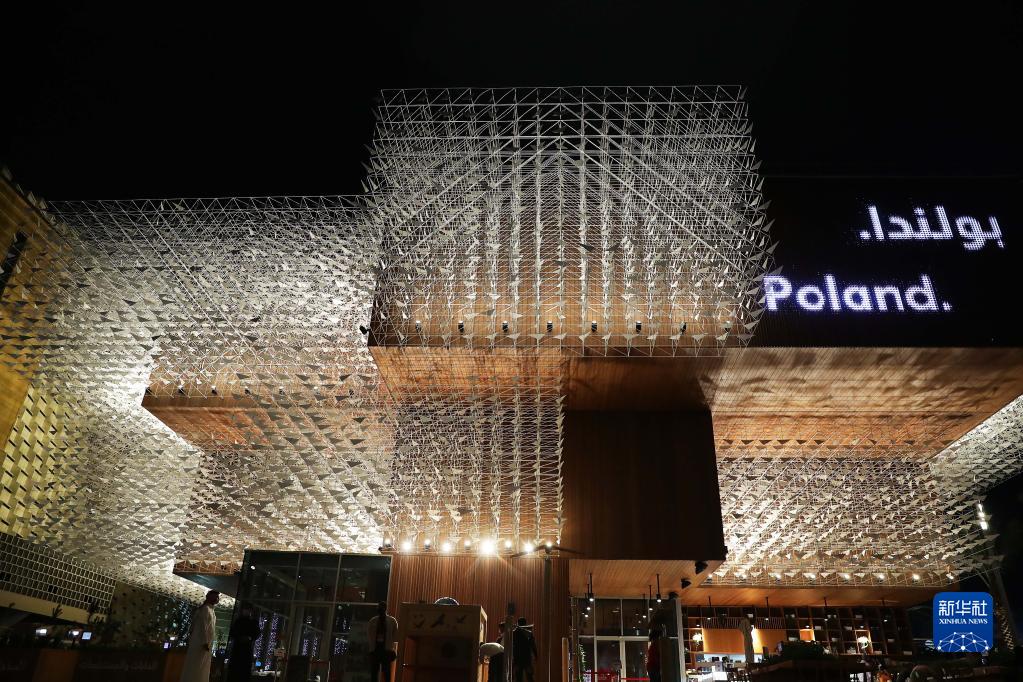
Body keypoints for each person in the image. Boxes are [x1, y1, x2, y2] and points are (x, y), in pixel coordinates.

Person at [180, 590, 219, 682]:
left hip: (206, 644)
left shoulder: (211, 610)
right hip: (200, 643)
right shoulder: (205, 609)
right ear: (210, 597)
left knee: (202, 667)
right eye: (215, 596)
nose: (217, 599)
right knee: (196, 666)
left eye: (218, 597)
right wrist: (205, 642)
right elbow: (203, 626)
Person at [226, 604, 261, 682]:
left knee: (243, 669)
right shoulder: (238, 621)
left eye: (247, 610)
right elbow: (232, 632)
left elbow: (257, 634)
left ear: (251, 611)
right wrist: (240, 638)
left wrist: (249, 638)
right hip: (238, 649)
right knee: (236, 669)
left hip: (245, 649)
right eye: (245, 610)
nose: (246, 611)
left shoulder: (253, 622)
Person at [366, 601, 398, 682]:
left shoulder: (392, 621)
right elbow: (369, 634)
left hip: (386, 650)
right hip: (375, 649)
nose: (380, 609)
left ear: (385, 609)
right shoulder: (373, 621)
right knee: (374, 673)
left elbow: (395, 635)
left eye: (381, 608)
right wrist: (371, 647)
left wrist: (390, 646)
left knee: (386, 673)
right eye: (379, 608)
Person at [512, 617, 537, 682]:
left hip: (517, 658)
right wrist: (535, 655)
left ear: (518, 623)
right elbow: (533, 645)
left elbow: (511, 646)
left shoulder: (514, 633)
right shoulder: (529, 633)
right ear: (525, 624)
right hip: (527, 658)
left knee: (518, 678)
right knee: (530, 677)